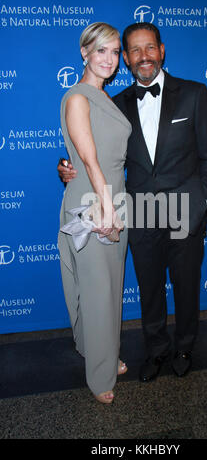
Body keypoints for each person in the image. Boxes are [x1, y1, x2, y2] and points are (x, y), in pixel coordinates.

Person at [58, 22, 207, 384]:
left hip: (185, 209)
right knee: (148, 288)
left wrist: (202, 202)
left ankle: (184, 347)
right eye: (133, 50)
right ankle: (156, 349)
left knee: (186, 285)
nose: (142, 56)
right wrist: (64, 165)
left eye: (149, 48)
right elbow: (89, 146)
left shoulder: (194, 94)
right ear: (127, 60)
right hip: (138, 212)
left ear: (162, 51)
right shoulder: (114, 105)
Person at [58, 22, 131, 404]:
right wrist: (105, 207)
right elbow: (88, 160)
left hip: (113, 198)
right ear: (84, 52)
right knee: (100, 290)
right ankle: (100, 375)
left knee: (107, 287)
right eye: (101, 50)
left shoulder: (106, 98)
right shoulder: (78, 98)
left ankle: (97, 349)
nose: (110, 59)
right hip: (94, 202)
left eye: (115, 51)